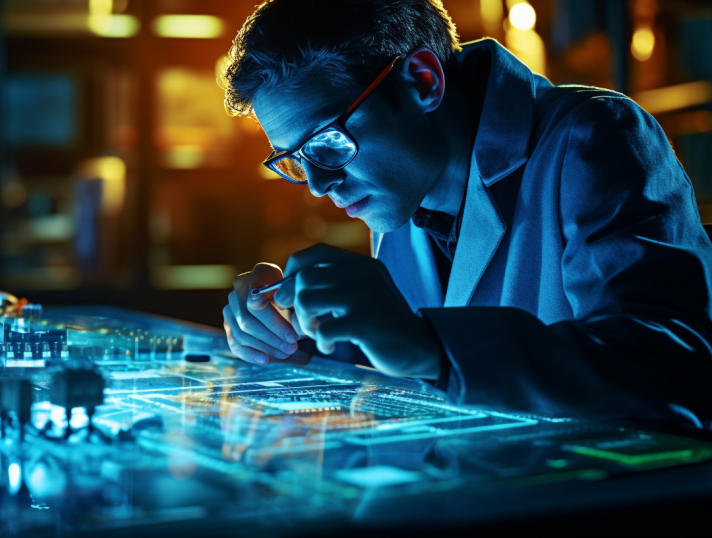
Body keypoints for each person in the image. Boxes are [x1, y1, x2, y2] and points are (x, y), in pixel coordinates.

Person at [219, 0, 712, 426]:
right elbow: (425, 364)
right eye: (295, 160)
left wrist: (430, 345)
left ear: (422, 81)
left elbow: (669, 364)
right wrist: (301, 335)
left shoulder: (594, 135)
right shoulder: (402, 191)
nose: (321, 186)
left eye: (327, 141)